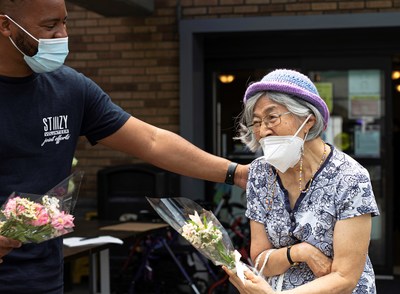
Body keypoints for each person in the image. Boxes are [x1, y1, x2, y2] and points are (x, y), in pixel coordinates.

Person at [0, 1, 248, 293]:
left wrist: (237, 173)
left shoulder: (70, 89)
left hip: (44, 278)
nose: (63, 35)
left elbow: (152, 141)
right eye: (50, 26)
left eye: (65, 22)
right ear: (6, 26)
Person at [223, 69, 379, 293]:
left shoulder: (350, 178)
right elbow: (259, 260)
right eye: (256, 122)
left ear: (308, 120)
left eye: (272, 117)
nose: (263, 130)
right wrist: (299, 252)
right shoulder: (260, 174)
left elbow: (345, 278)